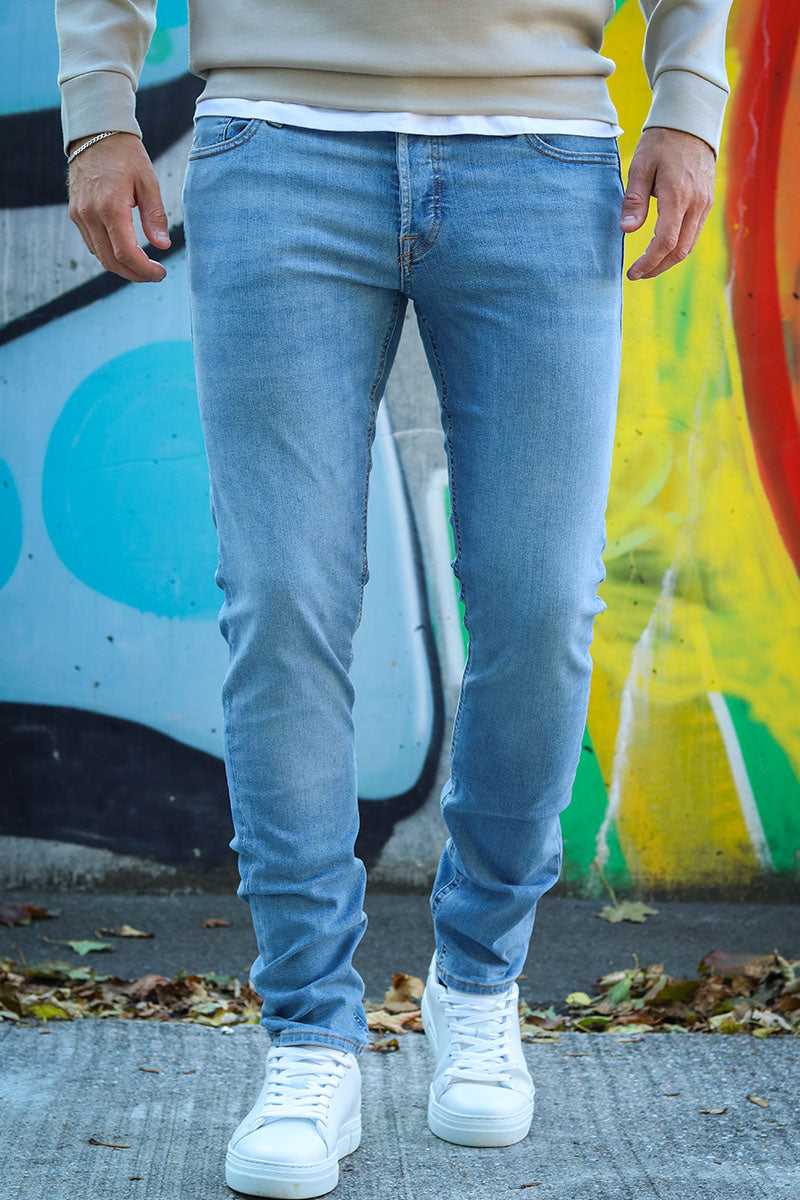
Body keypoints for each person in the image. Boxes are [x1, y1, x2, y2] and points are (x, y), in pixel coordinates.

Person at [55, 2, 732, 1196]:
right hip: (277, 140)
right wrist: (99, 114)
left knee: (541, 605)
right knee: (282, 603)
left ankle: (478, 985)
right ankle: (308, 1037)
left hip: (538, 151)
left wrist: (686, 100)